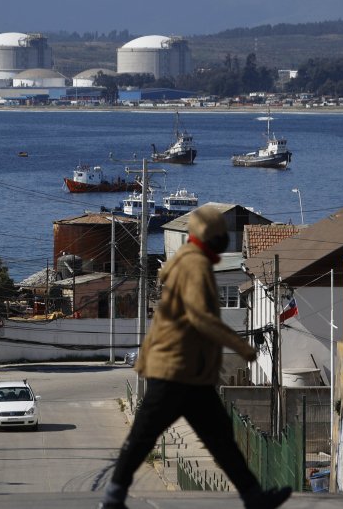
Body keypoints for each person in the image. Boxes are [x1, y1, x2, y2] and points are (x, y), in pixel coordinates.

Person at [100, 207, 292, 509]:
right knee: (146, 435)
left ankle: (254, 497)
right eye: (220, 236)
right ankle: (112, 499)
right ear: (210, 237)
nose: (223, 241)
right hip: (173, 369)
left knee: (219, 436)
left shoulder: (193, 262)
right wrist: (241, 346)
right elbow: (200, 318)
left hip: (191, 373)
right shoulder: (193, 266)